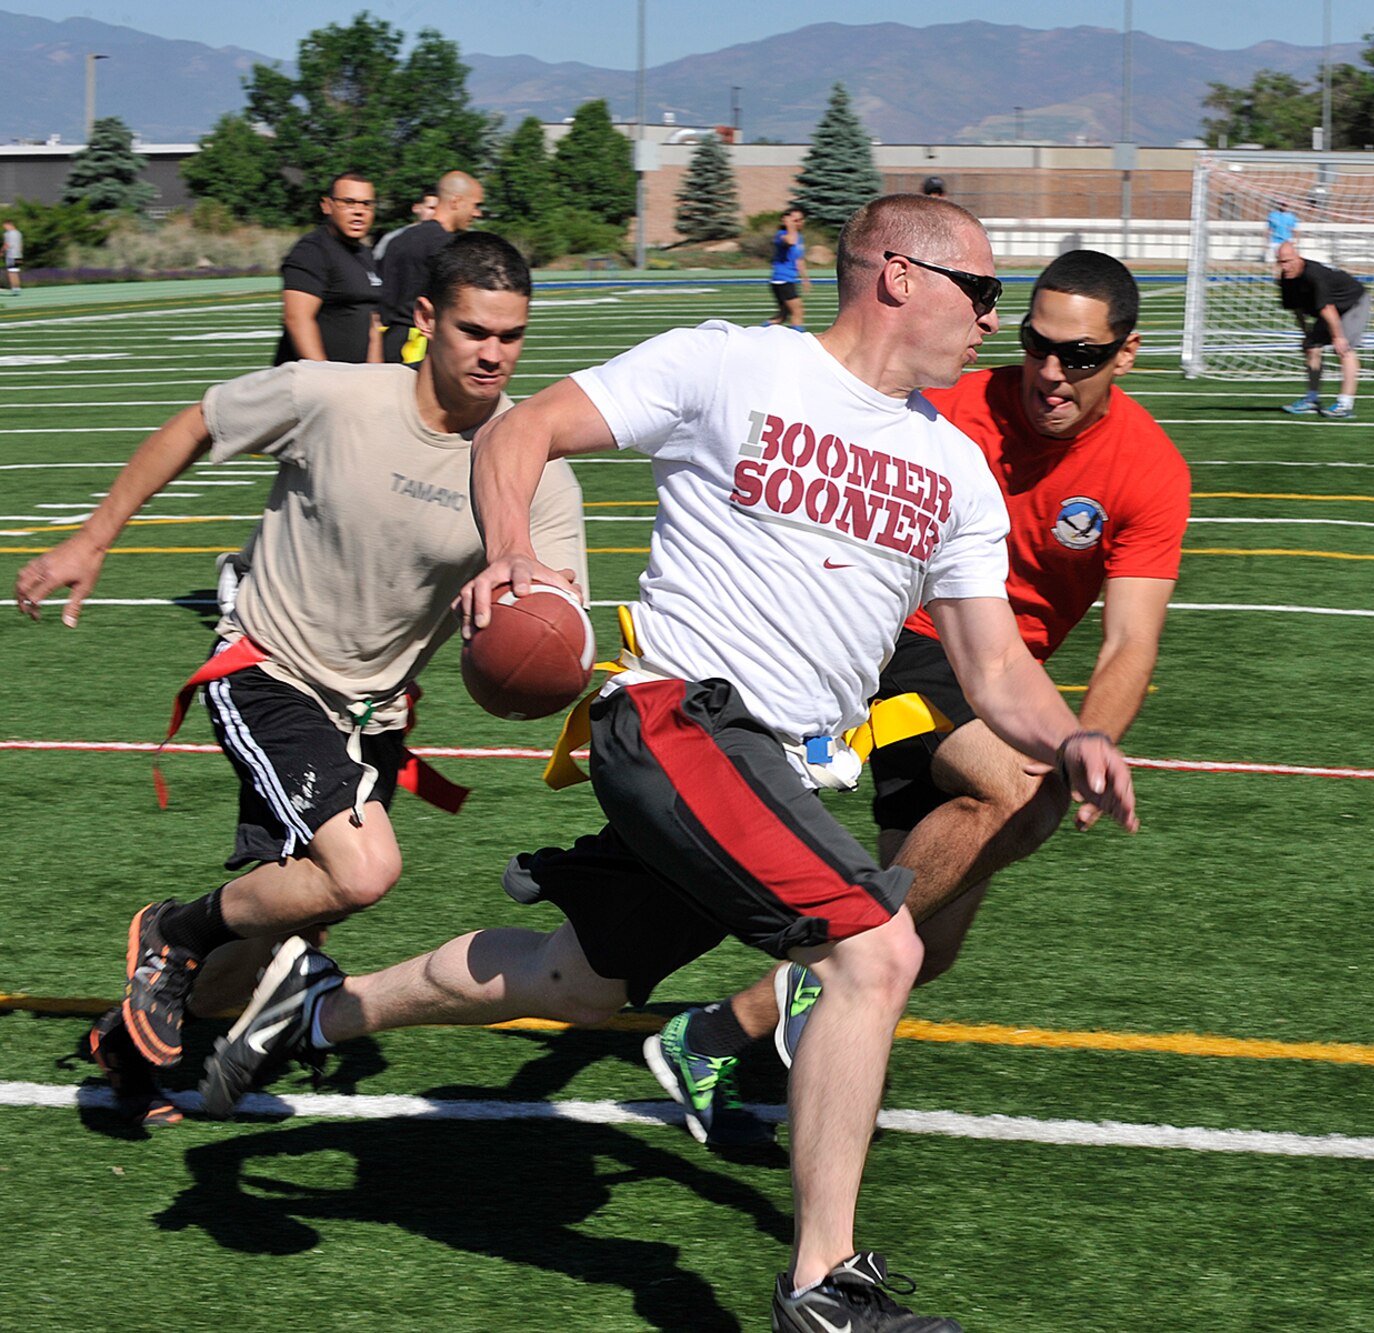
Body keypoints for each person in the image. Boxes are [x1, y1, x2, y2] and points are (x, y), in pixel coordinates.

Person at [192, 194, 1138, 1333]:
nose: (993, 322)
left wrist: (1071, 733)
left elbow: (994, 670)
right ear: (897, 276)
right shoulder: (728, 366)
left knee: (571, 981)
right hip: (676, 720)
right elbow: (519, 429)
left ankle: (315, 1014)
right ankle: (819, 1285)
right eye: (982, 294)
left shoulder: (952, 465)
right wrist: (512, 559)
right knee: (876, 949)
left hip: (775, 768)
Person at [12, 234, 584, 1122]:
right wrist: (93, 537)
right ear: (425, 320)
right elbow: (197, 422)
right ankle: (173, 930)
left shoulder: (533, 468)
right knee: (361, 870)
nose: (494, 353)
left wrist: (526, 630)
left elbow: (559, 616)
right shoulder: (335, 396)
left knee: (267, 928)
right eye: (474, 329)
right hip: (270, 667)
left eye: (512, 335)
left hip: (375, 711)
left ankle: (130, 1038)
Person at [650, 248, 1190, 1146]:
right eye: (1036, 344)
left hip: (993, 680)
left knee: (922, 950)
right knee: (1027, 787)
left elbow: (1132, 641)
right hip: (903, 635)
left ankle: (713, 1033)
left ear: (1126, 355)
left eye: (1081, 356)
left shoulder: (1150, 468)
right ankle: (801, 996)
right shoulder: (951, 404)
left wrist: (1092, 734)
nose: (1051, 372)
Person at [274, 170, 384, 366]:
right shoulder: (312, 250)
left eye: (366, 204)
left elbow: (372, 324)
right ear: (327, 206)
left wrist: (375, 376)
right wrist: (324, 377)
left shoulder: (364, 254)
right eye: (349, 202)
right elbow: (297, 319)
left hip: (354, 381)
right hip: (315, 386)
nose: (359, 211)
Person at [379, 171, 485, 364]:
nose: (478, 213)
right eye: (475, 205)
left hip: (388, 345)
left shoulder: (398, 240)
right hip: (421, 350)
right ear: (456, 201)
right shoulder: (447, 246)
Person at [1274, 241, 1368, 419]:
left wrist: (1338, 337)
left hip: (1352, 303)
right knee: (1311, 346)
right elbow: (1297, 309)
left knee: (1344, 349)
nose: (1285, 266)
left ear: (1298, 257)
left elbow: (1327, 308)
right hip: (1330, 309)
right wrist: (1306, 333)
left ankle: (1345, 404)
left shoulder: (1314, 275)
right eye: (1281, 262)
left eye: (1288, 261)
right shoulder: (1285, 280)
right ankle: (1312, 399)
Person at [768, 206, 810, 330]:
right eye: (795, 220)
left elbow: (799, 259)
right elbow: (790, 241)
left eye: (800, 220)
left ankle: (759, 333)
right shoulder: (781, 235)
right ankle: (798, 342)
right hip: (782, 280)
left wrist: (805, 278)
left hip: (789, 279)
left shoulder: (799, 237)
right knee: (798, 312)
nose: (799, 223)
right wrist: (789, 226)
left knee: (781, 317)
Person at [374, 192, 438, 261]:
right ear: (416, 208)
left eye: (440, 209)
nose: (436, 212)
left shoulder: (447, 239)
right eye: (431, 208)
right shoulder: (394, 238)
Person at [3, 217, 21, 295]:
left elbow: (7, 245)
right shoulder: (18, 233)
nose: (5, 228)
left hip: (11, 255)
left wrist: (1, 251)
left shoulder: (8, 234)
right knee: (15, 272)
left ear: (8, 225)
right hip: (18, 255)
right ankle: (17, 288)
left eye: (5, 226)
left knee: (11, 273)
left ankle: (14, 288)